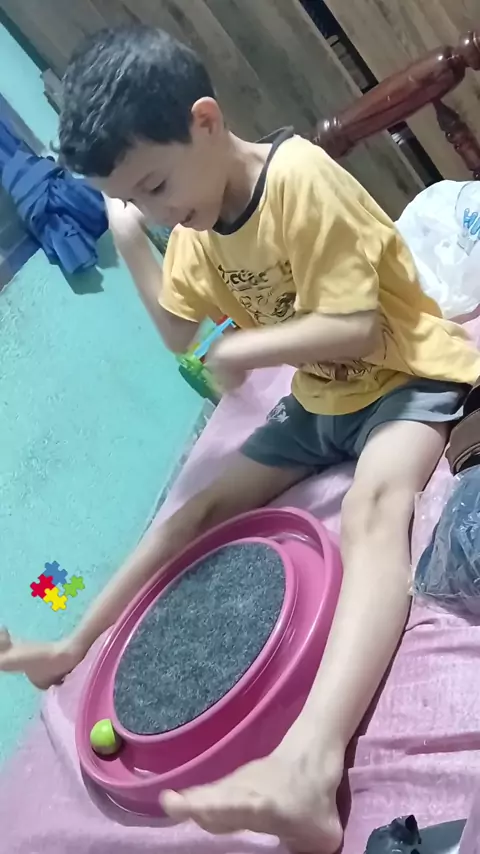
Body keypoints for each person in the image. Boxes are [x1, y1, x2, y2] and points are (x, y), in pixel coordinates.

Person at [2, 24, 480, 853]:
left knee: (375, 508)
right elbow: (177, 330)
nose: (160, 210)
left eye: (157, 184)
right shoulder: (190, 229)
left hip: (404, 373)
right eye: (138, 200)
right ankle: (70, 646)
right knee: (190, 514)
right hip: (319, 397)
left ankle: (309, 770)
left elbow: (361, 327)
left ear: (206, 120)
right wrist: (132, 242)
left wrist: (250, 350)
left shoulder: (301, 180)